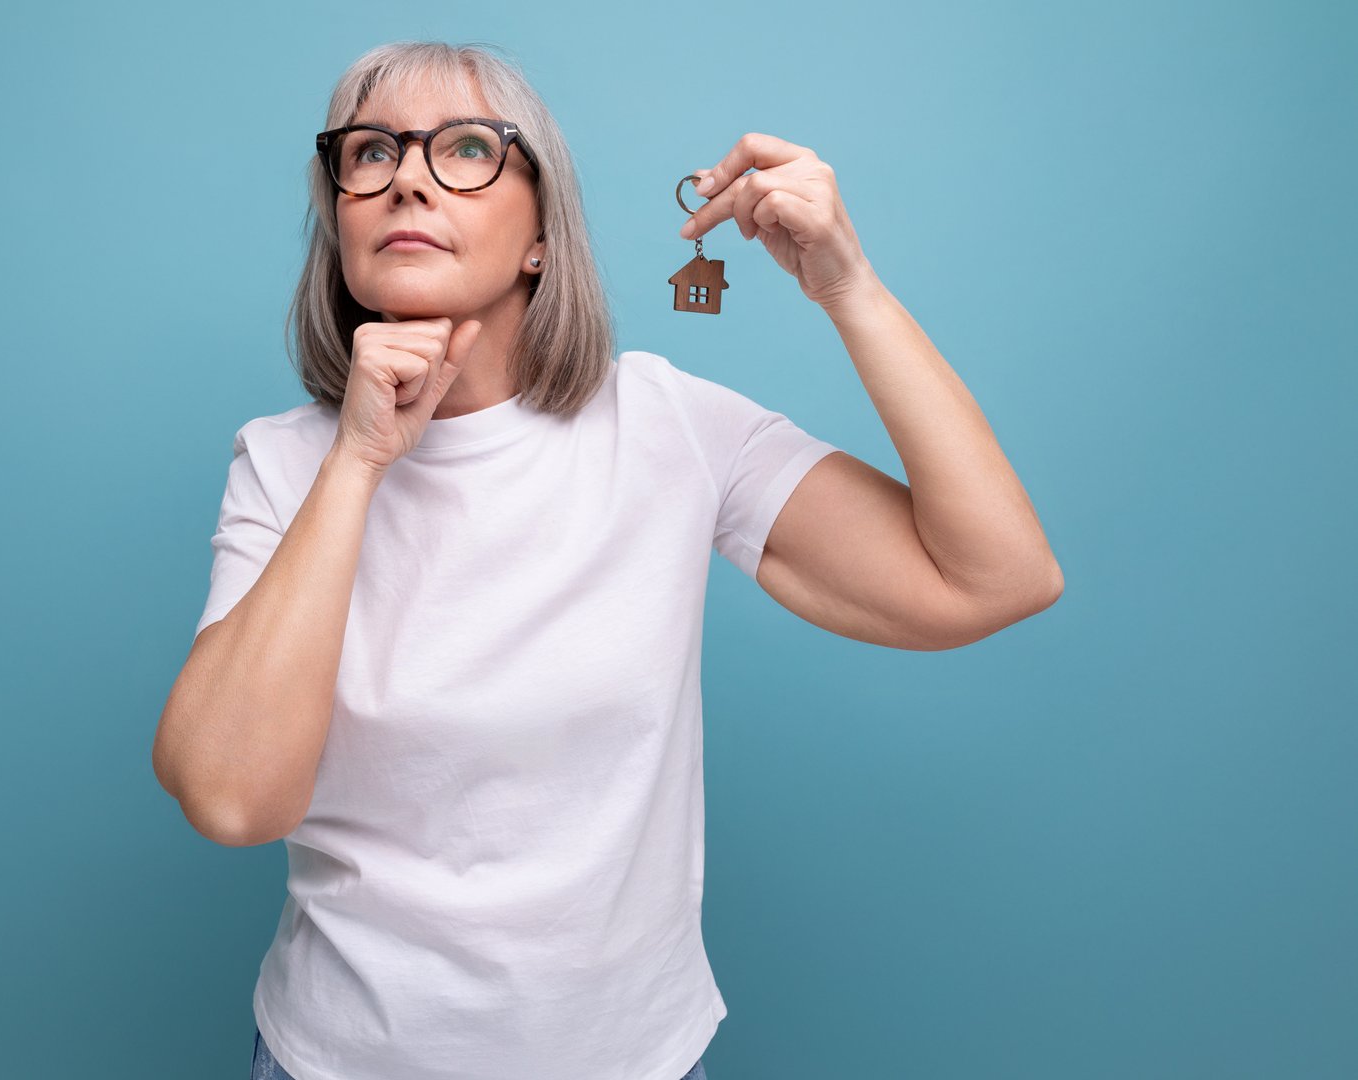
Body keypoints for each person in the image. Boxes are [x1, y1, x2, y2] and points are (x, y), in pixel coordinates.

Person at [153, 39, 1063, 1080]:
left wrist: (847, 286)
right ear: (342, 222)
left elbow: (995, 578)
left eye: (465, 148)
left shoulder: (667, 426)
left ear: (542, 238)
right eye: (371, 153)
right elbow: (230, 799)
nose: (406, 178)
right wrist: (357, 461)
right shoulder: (284, 464)